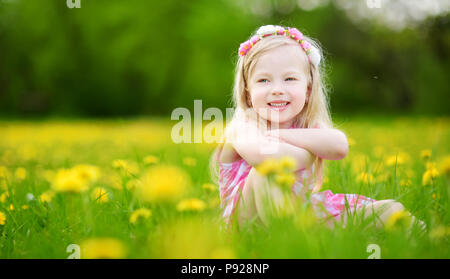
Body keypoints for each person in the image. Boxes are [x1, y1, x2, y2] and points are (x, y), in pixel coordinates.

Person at [210, 25, 423, 231]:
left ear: (308, 89)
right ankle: (293, 242)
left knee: (390, 210)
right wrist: (309, 154)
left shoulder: (305, 125)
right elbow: (264, 157)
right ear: (248, 92)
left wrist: (279, 134)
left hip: (299, 215)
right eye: (264, 80)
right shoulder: (242, 125)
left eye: (290, 79)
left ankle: (424, 239)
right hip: (248, 225)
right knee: (265, 174)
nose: (277, 90)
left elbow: (339, 145)